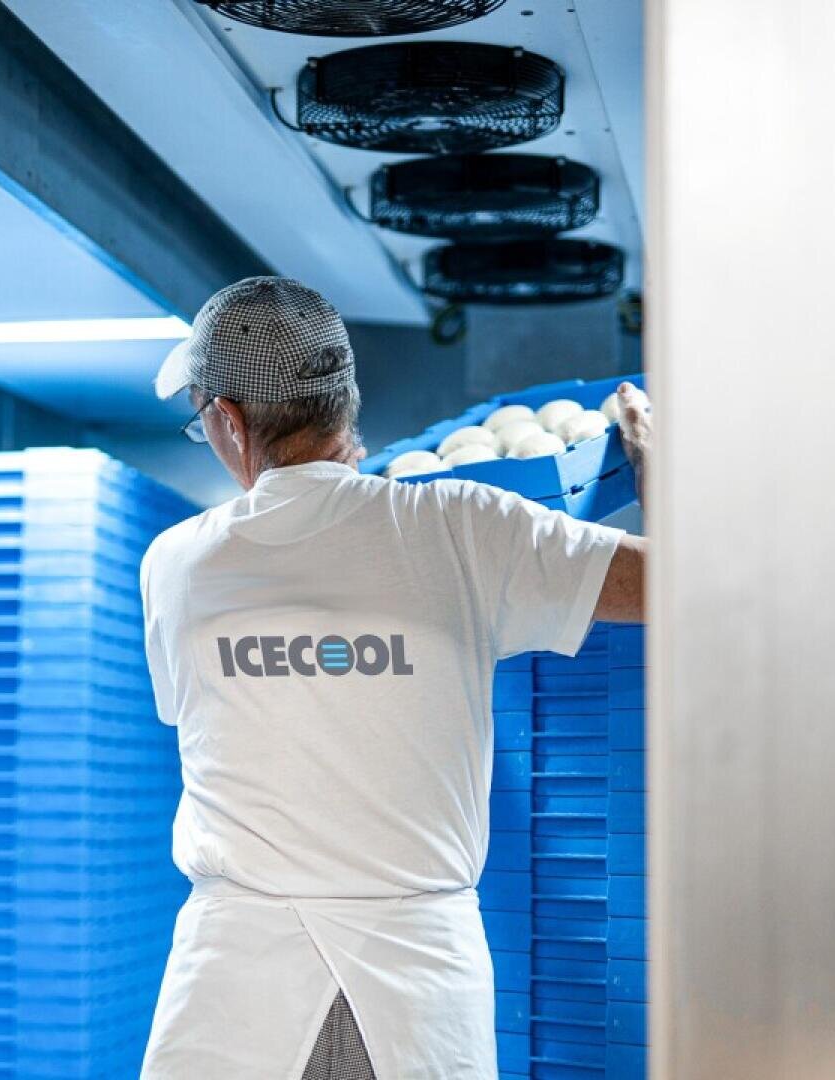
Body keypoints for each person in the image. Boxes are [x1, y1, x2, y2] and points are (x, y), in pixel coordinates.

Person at [137, 277, 651, 1080]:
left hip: (237, 985)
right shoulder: (465, 528)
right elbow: (684, 586)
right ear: (347, 401)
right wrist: (656, 465)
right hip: (418, 986)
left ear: (230, 422)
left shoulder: (179, 564)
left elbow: (195, 714)